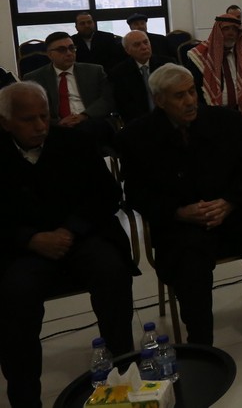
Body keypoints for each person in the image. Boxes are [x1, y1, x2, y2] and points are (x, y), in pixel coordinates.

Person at [117, 64, 242, 362]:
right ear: (159, 100)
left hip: (235, 211)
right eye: (179, 96)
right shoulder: (136, 136)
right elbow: (136, 194)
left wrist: (229, 202)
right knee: (189, 265)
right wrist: (179, 212)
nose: (190, 101)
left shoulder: (225, 121)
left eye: (192, 92)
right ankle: (201, 345)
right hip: (183, 222)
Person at [0, 82, 136, 408]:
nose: (39, 126)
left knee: (112, 271)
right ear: (5, 122)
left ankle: (124, 372)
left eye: (44, 116)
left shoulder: (74, 141)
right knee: (14, 297)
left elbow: (107, 194)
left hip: (79, 236)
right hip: (22, 249)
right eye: (28, 119)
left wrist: (71, 229)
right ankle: (24, 396)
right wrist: (30, 239)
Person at [23, 31, 117, 149]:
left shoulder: (94, 71)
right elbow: (31, 109)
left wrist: (84, 115)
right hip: (57, 125)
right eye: (62, 50)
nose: (69, 53)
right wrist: (57, 122)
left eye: (72, 48)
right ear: (49, 54)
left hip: (91, 120)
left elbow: (107, 99)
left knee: (86, 131)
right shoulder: (35, 78)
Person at [110, 29, 175, 124]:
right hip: (138, 121)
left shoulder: (168, 65)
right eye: (137, 45)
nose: (144, 47)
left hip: (169, 116)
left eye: (146, 42)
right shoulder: (119, 72)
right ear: (127, 50)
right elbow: (123, 105)